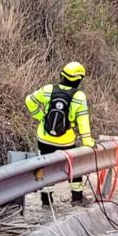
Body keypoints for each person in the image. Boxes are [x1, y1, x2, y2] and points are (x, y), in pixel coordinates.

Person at [25, 61, 94, 206]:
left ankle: (46, 201)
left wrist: (41, 117)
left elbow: (29, 100)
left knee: (44, 167)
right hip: (66, 141)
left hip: (44, 138)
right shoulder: (79, 96)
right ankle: (76, 198)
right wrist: (88, 142)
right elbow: (83, 122)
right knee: (74, 167)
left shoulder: (49, 89)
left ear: (62, 75)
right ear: (79, 79)